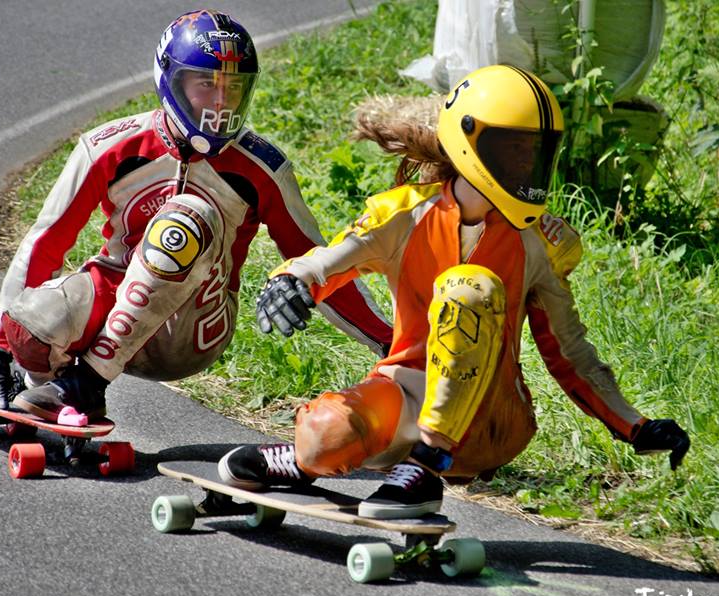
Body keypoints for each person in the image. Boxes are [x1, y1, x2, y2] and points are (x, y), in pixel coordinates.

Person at [217, 64, 690, 519]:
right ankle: (300, 463)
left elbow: (570, 353)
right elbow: (330, 262)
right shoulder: (403, 215)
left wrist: (635, 425)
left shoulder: (540, 244)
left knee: (467, 289)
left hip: (491, 418)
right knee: (324, 433)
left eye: (536, 152)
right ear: (469, 141)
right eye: (514, 149)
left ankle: (425, 465)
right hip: (406, 396)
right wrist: (292, 280)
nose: (526, 164)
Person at [0, 9, 392, 422]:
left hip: (191, 330)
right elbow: (45, 243)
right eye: (205, 83)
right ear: (170, 82)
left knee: (185, 217)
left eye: (233, 87)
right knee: (34, 320)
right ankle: (36, 389)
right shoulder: (108, 146)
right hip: (112, 302)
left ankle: (86, 382)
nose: (220, 101)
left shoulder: (264, 168)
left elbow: (322, 265)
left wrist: (392, 345)